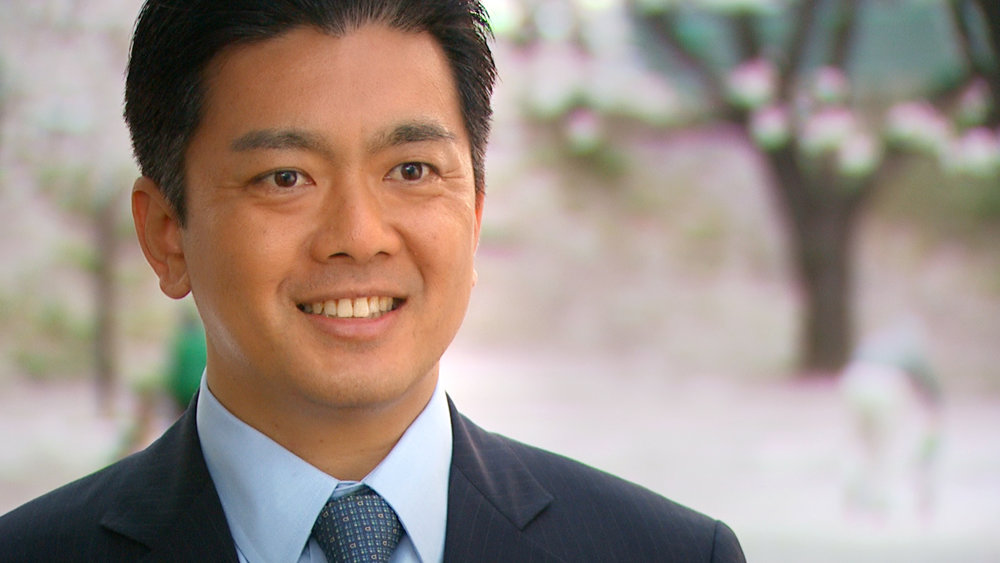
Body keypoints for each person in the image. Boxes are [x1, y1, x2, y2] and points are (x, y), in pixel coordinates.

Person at [0, 1, 746, 561]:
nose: (359, 235)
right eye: (285, 177)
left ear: (475, 212)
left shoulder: (669, 553)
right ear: (167, 235)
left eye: (412, 170)